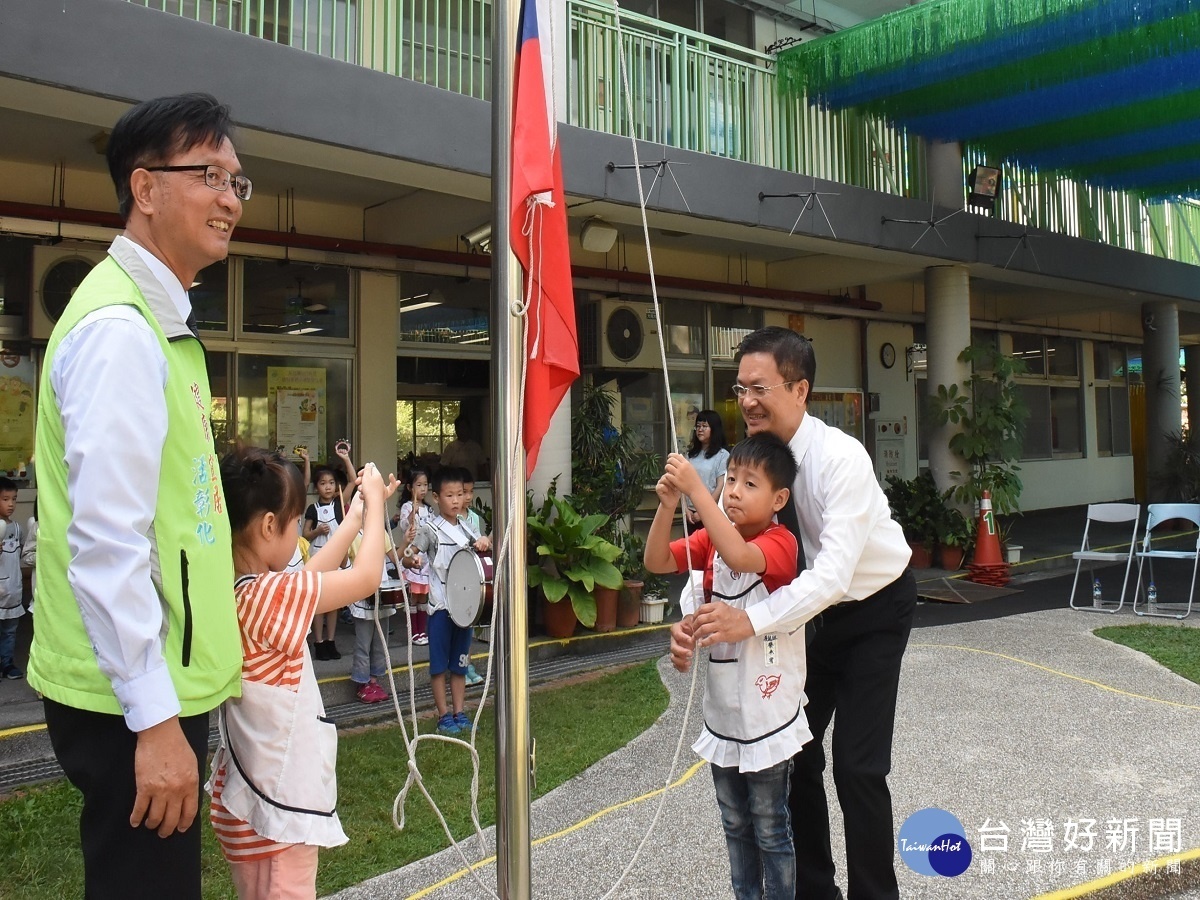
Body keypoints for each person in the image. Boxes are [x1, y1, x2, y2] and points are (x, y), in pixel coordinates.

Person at [27, 93, 247, 898]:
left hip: (143, 685)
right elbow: (108, 542)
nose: (230, 198)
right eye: (210, 176)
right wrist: (154, 723)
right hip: (129, 699)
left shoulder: (156, 322)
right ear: (145, 188)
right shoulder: (121, 332)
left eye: (237, 181)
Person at [671, 326, 915, 900]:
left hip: (873, 608)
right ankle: (814, 892)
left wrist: (750, 622)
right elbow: (719, 551)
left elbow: (831, 576)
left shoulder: (839, 459)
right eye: (740, 388)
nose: (747, 401)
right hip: (807, 616)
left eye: (761, 388)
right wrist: (692, 616)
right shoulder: (747, 463)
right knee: (794, 753)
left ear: (800, 390)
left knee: (858, 766)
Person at [210, 446, 395, 898]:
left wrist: (355, 516)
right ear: (269, 526)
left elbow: (309, 576)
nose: (299, 532)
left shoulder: (244, 590)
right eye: (296, 523)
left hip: (252, 807)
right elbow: (367, 577)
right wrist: (372, 510)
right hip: (275, 816)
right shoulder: (266, 596)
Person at [647, 434, 805, 900]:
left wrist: (699, 492)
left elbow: (741, 556)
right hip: (723, 711)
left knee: (771, 825)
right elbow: (656, 560)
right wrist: (668, 504)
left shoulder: (780, 543)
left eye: (749, 483)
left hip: (766, 710)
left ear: (778, 499)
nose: (733, 490)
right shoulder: (710, 543)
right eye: (730, 479)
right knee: (734, 822)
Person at [409, 468, 476, 735]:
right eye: (450, 495)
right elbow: (411, 553)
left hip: (465, 606)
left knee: (460, 663)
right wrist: (410, 558)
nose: (456, 500)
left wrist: (484, 542)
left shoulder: (468, 528)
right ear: (437, 497)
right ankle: (443, 715)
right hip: (439, 606)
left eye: (460, 494)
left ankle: (460, 711)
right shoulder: (429, 529)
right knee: (439, 665)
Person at [303, 443, 356, 660]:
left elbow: (353, 480)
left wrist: (345, 459)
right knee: (318, 603)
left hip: (336, 558)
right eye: (323, 483)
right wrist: (317, 531)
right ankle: (319, 642)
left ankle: (331, 641)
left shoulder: (338, 504)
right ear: (317, 487)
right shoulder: (312, 509)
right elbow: (305, 534)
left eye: (331, 483)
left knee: (333, 602)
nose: (328, 487)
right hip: (317, 557)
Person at [459, 467, 490, 685]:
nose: (468, 497)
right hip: (454, 580)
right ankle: (459, 668)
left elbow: (480, 543)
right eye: (463, 492)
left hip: (470, 578)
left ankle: (467, 665)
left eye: (470, 492)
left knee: (468, 626)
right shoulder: (445, 519)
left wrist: (485, 540)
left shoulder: (474, 518)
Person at [396, 468, 432, 646]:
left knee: (423, 596)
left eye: (425, 485)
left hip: (426, 557)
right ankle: (413, 632)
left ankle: (422, 630)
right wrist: (412, 514)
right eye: (419, 485)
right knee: (413, 595)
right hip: (412, 554)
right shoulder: (407, 506)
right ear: (410, 487)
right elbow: (404, 526)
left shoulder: (429, 509)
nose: (423, 489)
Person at [684, 409, 731, 527]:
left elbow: (721, 486)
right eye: (698, 426)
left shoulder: (722, 455)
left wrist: (704, 511)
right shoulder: (690, 455)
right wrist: (685, 509)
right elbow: (683, 483)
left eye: (704, 426)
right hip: (690, 513)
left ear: (714, 429)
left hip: (711, 513)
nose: (700, 429)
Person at [0, 477, 24, 679]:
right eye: (5, 499)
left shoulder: (16, 528)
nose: (11, 504)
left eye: (14, 499)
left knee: (10, 632)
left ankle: (7, 663)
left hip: (13, 592)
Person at [440, 415, 486, 481]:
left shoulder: (475, 447)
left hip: (473, 484)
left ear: (469, 428)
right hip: (455, 484)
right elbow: (443, 467)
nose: (462, 430)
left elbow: (482, 467)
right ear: (456, 430)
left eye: (464, 427)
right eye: (459, 427)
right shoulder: (450, 447)